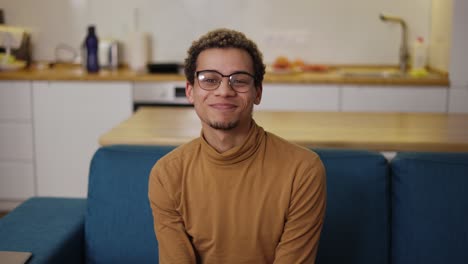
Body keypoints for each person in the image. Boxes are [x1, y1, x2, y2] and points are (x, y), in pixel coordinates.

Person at [148, 28, 326, 264]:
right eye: (209, 80)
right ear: (190, 91)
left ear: (258, 93)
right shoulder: (167, 174)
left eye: (239, 80)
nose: (224, 91)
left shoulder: (303, 171)